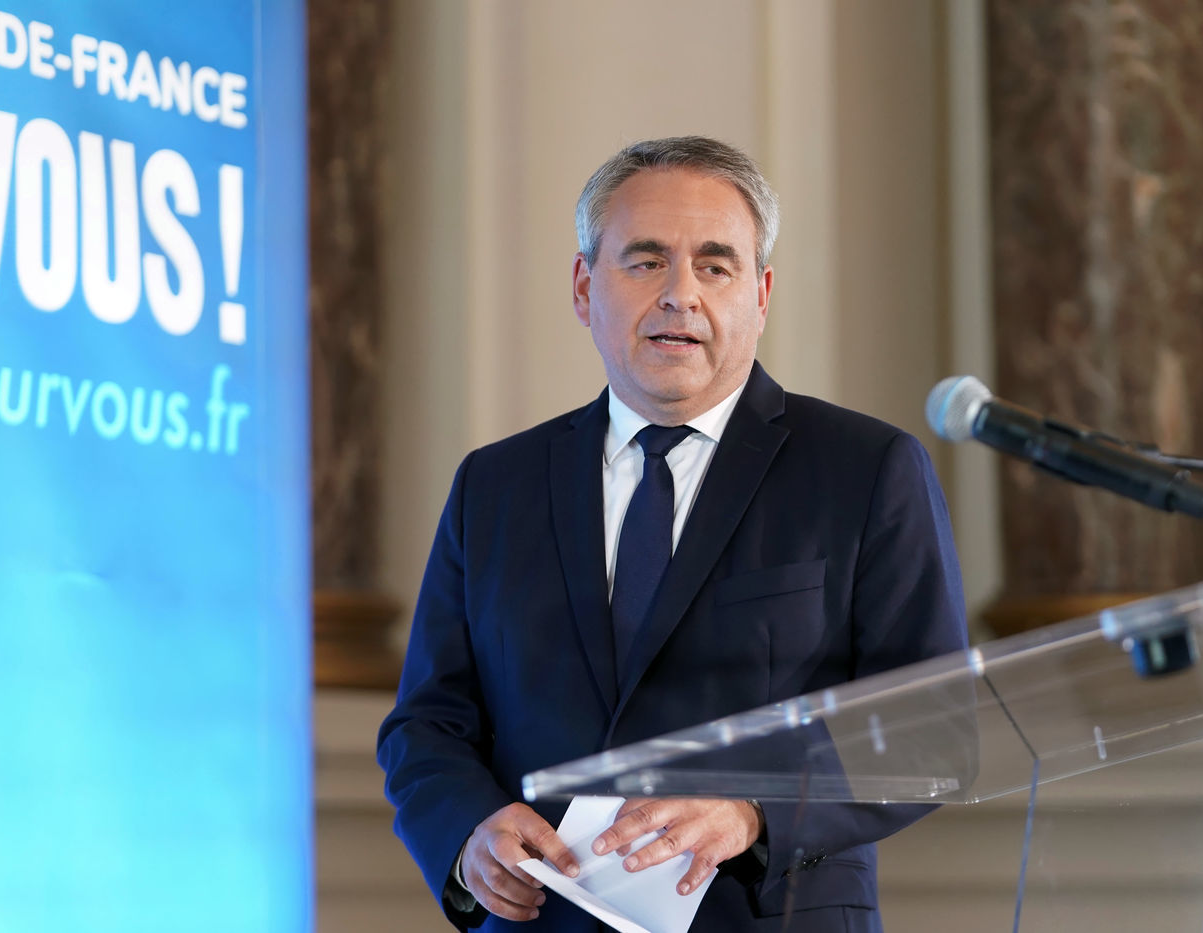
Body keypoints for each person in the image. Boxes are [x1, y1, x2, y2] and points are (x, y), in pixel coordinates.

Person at [377, 136, 968, 932]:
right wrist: (467, 830)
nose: (679, 295)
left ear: (761, 294)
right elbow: (426, 722)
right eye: (646, 261)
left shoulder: (866, 469)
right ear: (585, 287)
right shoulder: (495, 484)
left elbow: (934, 730)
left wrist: (754, 808)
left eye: (715, 266)